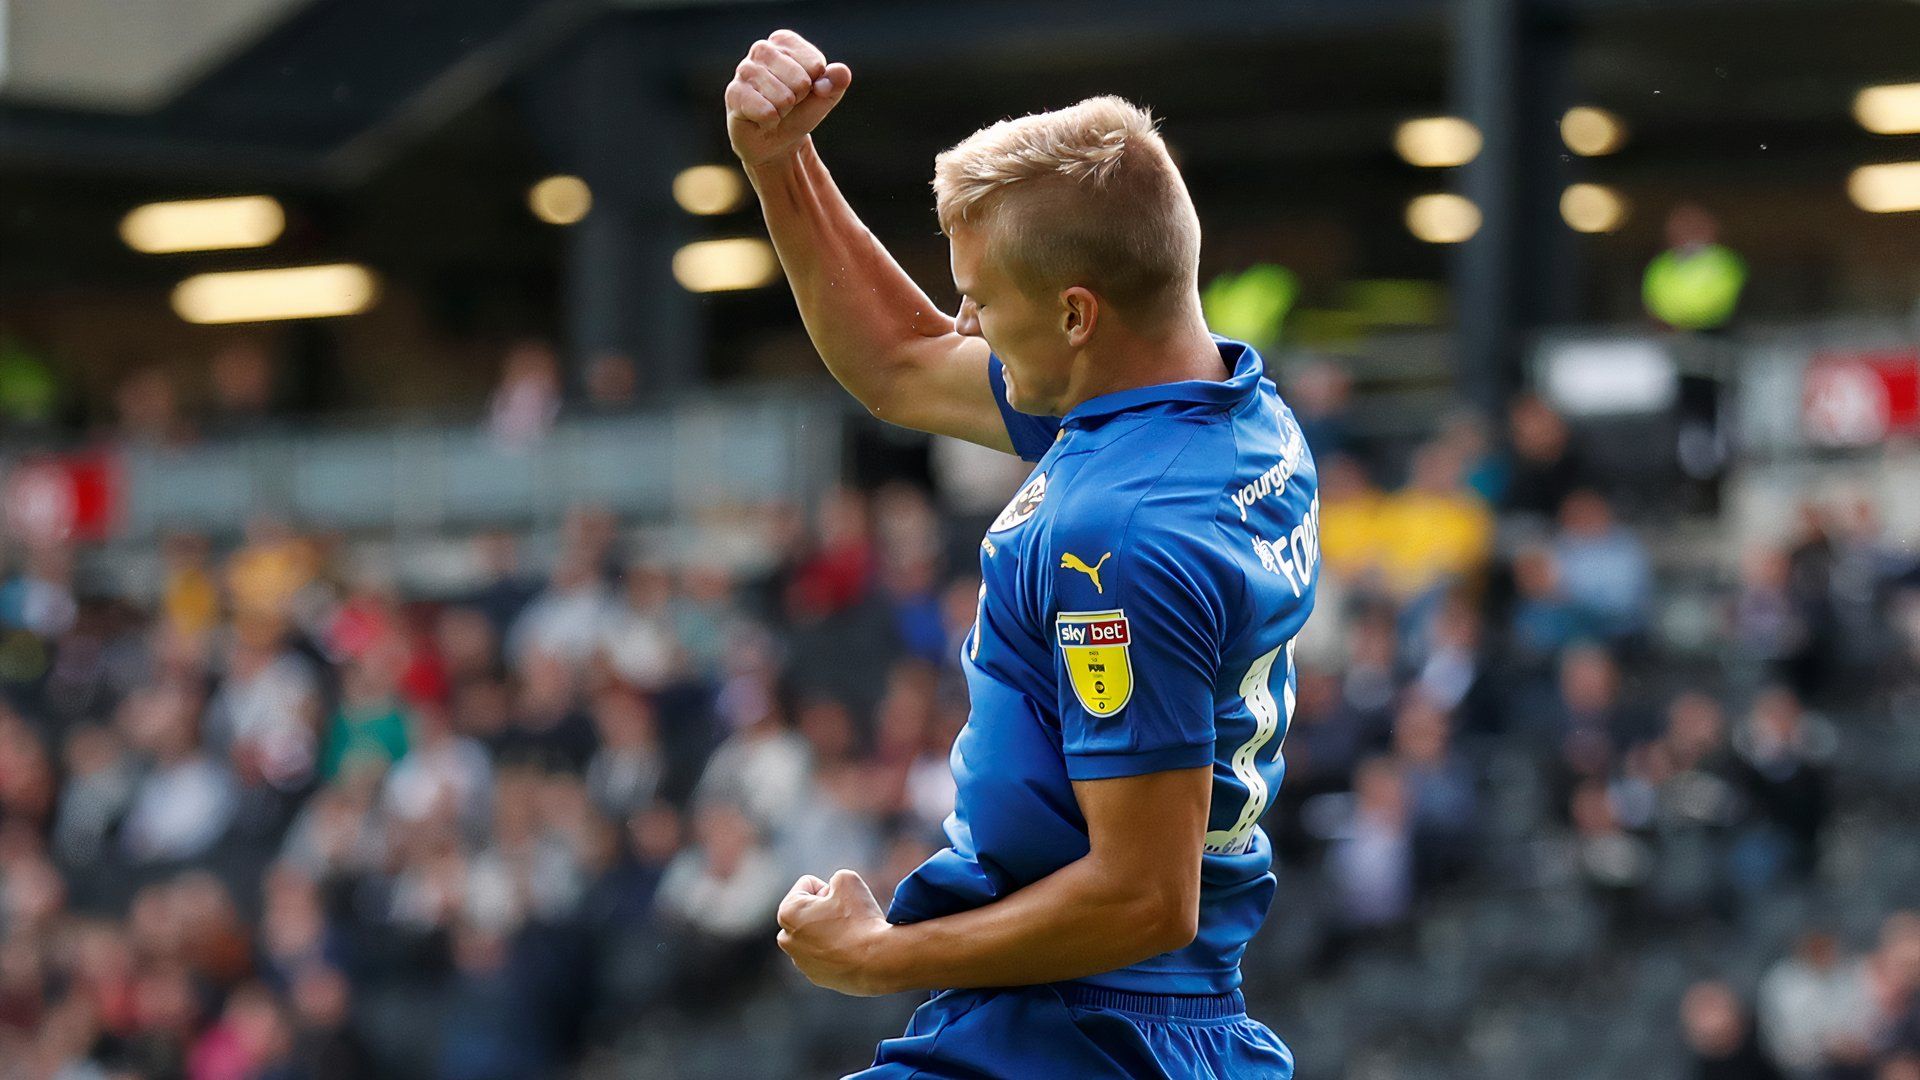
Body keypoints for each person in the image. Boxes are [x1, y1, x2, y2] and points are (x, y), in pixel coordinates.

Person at [727, 30, 1313, 1078]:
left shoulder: (1116, 533)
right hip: (1133, 1019)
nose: (965, 322)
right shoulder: (1223, 410)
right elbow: (901, 363)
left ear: (1076, 314)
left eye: (983, 300)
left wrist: (877, 958)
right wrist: (781, 163)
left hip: (1083, 1035)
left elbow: (1144, 897)